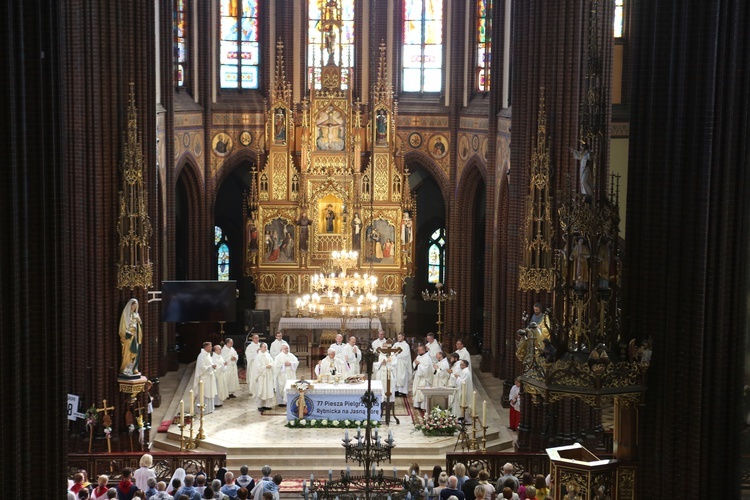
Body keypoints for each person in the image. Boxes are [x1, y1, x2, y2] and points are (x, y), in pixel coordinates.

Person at [119, 299, 143, 376]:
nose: (134, 308)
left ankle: (133, 368)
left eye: (135, 307)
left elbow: (139, 325)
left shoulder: (136, 315)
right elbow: (122, 327)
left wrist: (139, 322)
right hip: (128, 337)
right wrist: (129, 332)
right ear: (130, 305)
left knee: (135, 353)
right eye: (133, 306)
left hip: (135, 337)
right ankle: (125, 369)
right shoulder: (125, 314)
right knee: (128, 353)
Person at [192, 342, 217, 414]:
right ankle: (202, 409)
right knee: (204, 393)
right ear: (206, 347)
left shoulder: (208, 355)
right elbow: (201, 368)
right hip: (204, 378)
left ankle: (209, 409)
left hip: (209, 377)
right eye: (210, 346)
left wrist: (213, 366)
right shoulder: (201, 356)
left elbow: (210, 363)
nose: (211, 347)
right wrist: (211, 367)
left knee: (209, 392)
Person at [251, 343, 275, 411]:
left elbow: (272, 362)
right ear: (260, 348)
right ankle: (260, 405)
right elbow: (258, 367)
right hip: (261, 376)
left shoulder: (268, 354)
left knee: (268, 390)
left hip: (268, 375)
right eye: (264, 347)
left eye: (266, 347)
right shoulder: (258, 356)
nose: (265, 348)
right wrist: (266, 366)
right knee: (261, 390)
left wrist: (271, 365)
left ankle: (267, 405)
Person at [412, 344, 433, 410]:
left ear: (424, 350)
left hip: (424, 378)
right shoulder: (418, 356)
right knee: (417, 390)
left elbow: (427, 369)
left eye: (420, 350)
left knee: (423, 392)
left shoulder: (427, 358)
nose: (419, 351)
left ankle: (423, 406)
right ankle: (417, 404)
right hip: (418, 377)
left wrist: (418, 364)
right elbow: (414, 363)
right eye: (418, 350)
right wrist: (415, 364)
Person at [393, 332, 412, 397]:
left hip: (403, 363)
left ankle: (403, 392)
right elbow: (392, 351)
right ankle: (396, 391)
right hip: (396, 363)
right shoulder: (395, 344)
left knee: (402, 377)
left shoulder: (406, 345)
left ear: (403, 337)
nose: (398, 338)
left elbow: (406, 355)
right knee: (396, 376)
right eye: (398, 337)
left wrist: (398, 355)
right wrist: (394, 354)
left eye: (400, 337)